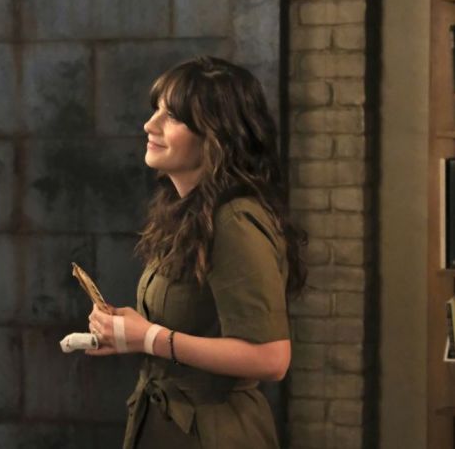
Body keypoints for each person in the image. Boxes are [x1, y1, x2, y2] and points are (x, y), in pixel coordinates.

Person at [87, 56, 307, 448]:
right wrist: (129, 333)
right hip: (170, 427)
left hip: (216, 435)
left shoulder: (234, 220)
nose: (149, 125)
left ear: (216, 137)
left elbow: (271, 358)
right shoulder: (190, 212)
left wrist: (149, 337)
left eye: (171, 116)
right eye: (156, 109)